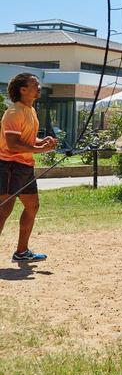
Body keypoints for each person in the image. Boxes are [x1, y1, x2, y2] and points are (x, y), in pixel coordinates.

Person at [0, 73, 57, 262]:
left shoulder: (30, 110)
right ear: (23, 90)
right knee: (4, 211)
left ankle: (22, 252)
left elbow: (28, 140)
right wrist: (39, 149)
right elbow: (12, 144)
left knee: (32, 206)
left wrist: (43, 142)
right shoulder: (14, 112)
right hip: (9, 166)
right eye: (34, 84)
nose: (39, 87)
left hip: (24, 166)